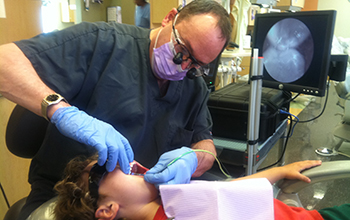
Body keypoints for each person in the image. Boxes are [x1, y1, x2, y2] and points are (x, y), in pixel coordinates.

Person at [0, 0, 232, 219]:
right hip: (67, 202)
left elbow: (206, 146)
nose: (183, 66)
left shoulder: (195, 88)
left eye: (195, 65)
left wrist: (193, 158)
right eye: (182, 50)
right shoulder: (103, 43)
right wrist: (61, 111)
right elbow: (4, 63)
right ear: (169, 18)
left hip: (137, 205)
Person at [52, 154, 350, 220]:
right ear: (107, 209)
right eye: (105, 169)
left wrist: (275, 172)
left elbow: (227, 192)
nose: (122, 163)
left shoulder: (167, 200)